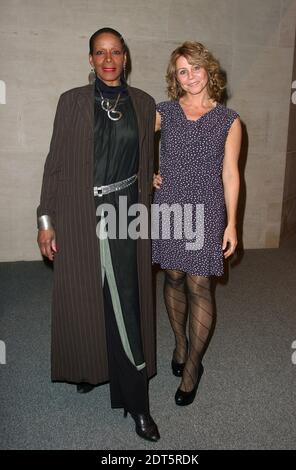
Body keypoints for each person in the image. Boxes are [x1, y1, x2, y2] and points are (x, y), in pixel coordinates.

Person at [37, 27, 160, 442]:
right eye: (99, 53)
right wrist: (45, 221)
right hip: (78, 214)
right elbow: (54, 164)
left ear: (126, 57)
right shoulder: (70, 102)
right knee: (86, 297)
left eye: (115, 52)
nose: (108, 60)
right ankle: (91, 367)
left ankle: (137, 402)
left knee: (126, 303)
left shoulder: (143, 104)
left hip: (126, 215)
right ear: (90, 60)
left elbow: (148, 165)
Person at [152, 41, 242, 406]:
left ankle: (193, 366)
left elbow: (232, 174)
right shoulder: (163, 112)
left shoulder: (229, 120)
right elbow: (133, 142)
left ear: (209, 70)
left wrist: (232, 223)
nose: (189, 77)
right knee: (173, 276)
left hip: (207, 208)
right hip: (170, 205)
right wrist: (148, 173)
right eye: (182, 71)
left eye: (195, 68)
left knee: (199, 284)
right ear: (176, 77)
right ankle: (179, 343)